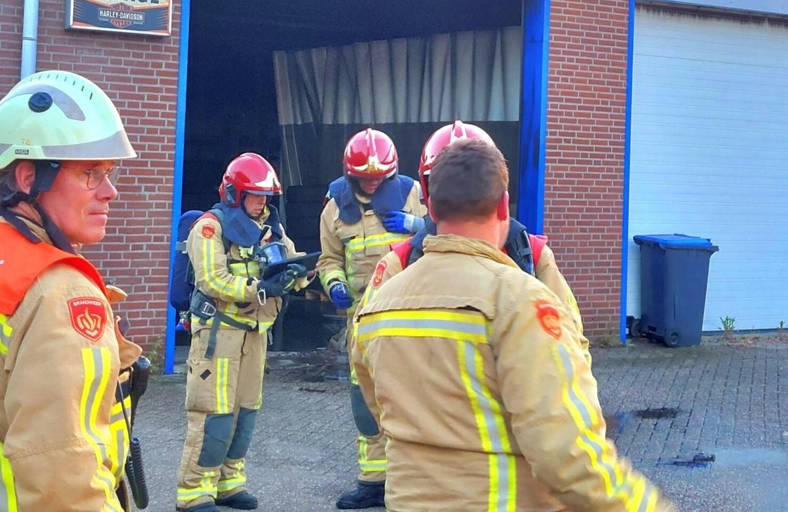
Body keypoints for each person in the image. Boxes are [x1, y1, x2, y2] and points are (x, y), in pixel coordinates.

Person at [351, 139, 675, 511]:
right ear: (504, 205)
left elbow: (378, 404)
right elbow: (568, 458)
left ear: (431, 206)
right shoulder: (519, 299)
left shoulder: (381, 302)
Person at [0, 70, 143, 511]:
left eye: (109, 172)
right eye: (90, 174)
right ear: (28, 178)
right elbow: (63, 473)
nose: (111, 191)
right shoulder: (59, 292)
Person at [176, 152, 310, 512]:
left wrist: (299, 276)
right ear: (235, 192)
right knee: (213, 413)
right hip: (218, 334)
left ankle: (229, 483)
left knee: (246, 410)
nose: (262, 202)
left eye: (266, 196)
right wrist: (260, 289)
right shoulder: (209, 227)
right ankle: (194, 493)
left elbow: (290, 260)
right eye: (254, 195)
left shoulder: (271, 226)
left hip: (256, 334)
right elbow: (213, 279)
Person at [318, 128, 426, 508]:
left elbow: (448, 234)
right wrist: (334, 285)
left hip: (409, 314)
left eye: (379, 177)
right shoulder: (334, 207)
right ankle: (373, 480)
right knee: (364, 399)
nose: (372, 182)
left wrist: (417, 227)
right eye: (365, 178)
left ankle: (410, 480)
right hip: (361, 318)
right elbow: (328, 259)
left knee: (410, 397)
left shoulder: (413, 194)